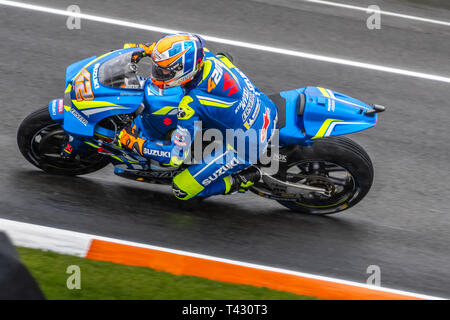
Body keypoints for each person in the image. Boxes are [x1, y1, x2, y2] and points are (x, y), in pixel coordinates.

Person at [119, 33, 277, 200]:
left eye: (164, 71)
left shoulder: (191, 104)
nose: (158, 74)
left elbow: (175, 156)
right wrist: (144, 49)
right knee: (223, 58)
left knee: (182, 189)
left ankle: (245, 178)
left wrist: (136, 143)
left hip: (246, 145)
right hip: (265, 107)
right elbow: (183, 49)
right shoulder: (205, 56)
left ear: (184, 71)